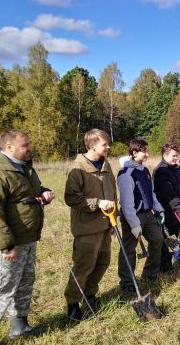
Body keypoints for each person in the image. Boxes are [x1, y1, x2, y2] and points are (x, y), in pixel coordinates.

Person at [0, 130, 56, 345]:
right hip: (8, 245)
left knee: (24, 283)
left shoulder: (23, 167)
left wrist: (43, 194)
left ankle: (19, 326)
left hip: (28, 239)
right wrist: (6, 245)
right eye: (25, 145)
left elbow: (27, 194)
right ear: (9, 147)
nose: (30, 148)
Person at [63, 129, 117, 321]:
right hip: (86, 228)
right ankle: (72, 304)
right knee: (84, 266)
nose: (108, 147)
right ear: (92, 145)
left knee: (102, 263)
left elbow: (112, 192)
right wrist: (97, 203)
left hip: (105, 225)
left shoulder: (106, 164)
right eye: (105, 144)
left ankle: (90, 295)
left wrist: (113, 218)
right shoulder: (78, 168)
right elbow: (71, 198)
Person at [117, 138, 166, 287]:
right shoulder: (126, 173)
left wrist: (159, 209)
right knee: (129, 248)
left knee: (158, 239)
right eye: (144, 151)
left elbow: (151, 193)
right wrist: (133, 224)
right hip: (133, 215)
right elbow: (126, 202)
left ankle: (150, 274)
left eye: (147, 150)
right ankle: (127, 282)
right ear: (134, 152)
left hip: (148, 214)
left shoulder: (144, 170)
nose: (147, 154)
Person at [153, 143, 180, 272]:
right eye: (173, 156)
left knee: (174, 238)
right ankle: (165, 268)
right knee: (168, 239)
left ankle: (171, 264)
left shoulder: (174, 169)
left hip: (175, 212)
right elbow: (169, 194)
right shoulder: (161, 171)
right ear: (165, 155)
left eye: (176, 155)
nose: (176, 158)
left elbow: (179, 189)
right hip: (166, 212)